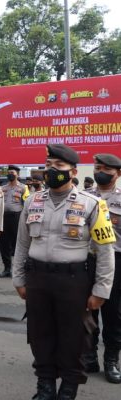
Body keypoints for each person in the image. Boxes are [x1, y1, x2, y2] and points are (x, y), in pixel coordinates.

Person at [12, 144, 116, 399]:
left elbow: (105, 250)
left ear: (72, 172)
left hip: (73, 280)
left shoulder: (93, 204)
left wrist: (101, 289)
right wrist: (19, 278)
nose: (52, 171)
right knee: (40, 335)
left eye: (59, 166)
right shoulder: (32, 201)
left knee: (74, 338)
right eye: (48, 165)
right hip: (38, 278)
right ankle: (44, 386)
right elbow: (22, 243)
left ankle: (68, 388)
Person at [81, 153, 121, 384]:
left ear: (118, 173)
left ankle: (111, 360)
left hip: (116, 260)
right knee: (88, 310)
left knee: (114, 313)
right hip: (87, 259)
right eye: (98, 167)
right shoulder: (84, 197)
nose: (100, 171)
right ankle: (89, 356)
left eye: (106, 168)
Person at [0, 165, 29, 278]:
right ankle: (7, 268)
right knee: (4, 243)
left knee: (18, 243)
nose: (10, 174)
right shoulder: (2, 188)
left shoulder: (23, 188)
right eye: (9, 172)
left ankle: (18, 269)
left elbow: (26, 205)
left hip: (17, 217)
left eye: (13, 172)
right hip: (4, 217)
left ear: (18, 174)